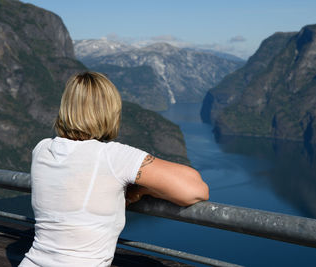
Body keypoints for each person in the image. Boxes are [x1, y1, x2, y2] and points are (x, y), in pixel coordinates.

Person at [19, 71, 209, 266]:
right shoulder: (112, 156)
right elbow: (195, 190)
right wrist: (141, 189)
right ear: (110, 111)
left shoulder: (41, 149)